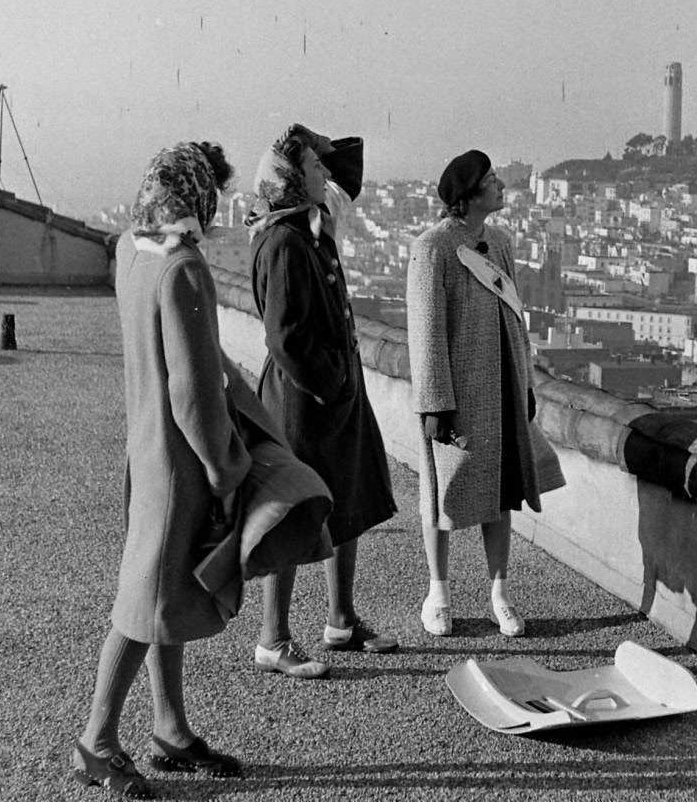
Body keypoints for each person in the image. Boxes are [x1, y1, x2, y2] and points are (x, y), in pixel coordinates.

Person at [73, 142, 248, 797]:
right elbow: (195, 394)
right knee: (144, 602)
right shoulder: (184, 270)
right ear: (197, 195)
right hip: (180, 464)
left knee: (163, 593)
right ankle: (96, 741)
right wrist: (226, 469)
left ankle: (170, 728)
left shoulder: (129, 251)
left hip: (142, 449)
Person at [246, 124, 398, 679]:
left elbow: (346, 168)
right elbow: (285, 338)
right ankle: (273, 639)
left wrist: (311, 141)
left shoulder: (304, 228)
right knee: (294, 511)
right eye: (312, 167)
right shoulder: (284, 241)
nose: (324, 174)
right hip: (305, 398)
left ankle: (340, 620)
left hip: (329, 393)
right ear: (289, 181)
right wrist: (332, 383)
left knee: (347, 500)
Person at [406, 149, 564, 638]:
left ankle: (500, 591)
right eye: (492, 182)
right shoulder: (432, 248)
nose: (501, 187)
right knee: (443, 494)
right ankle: (439, 590)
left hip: (502, 385)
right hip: (458, 394)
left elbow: (515, 319)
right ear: (469, 195)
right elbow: (426, 331)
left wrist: (527, 383)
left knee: (501, 492)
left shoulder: (499, 242)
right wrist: (435, 403)